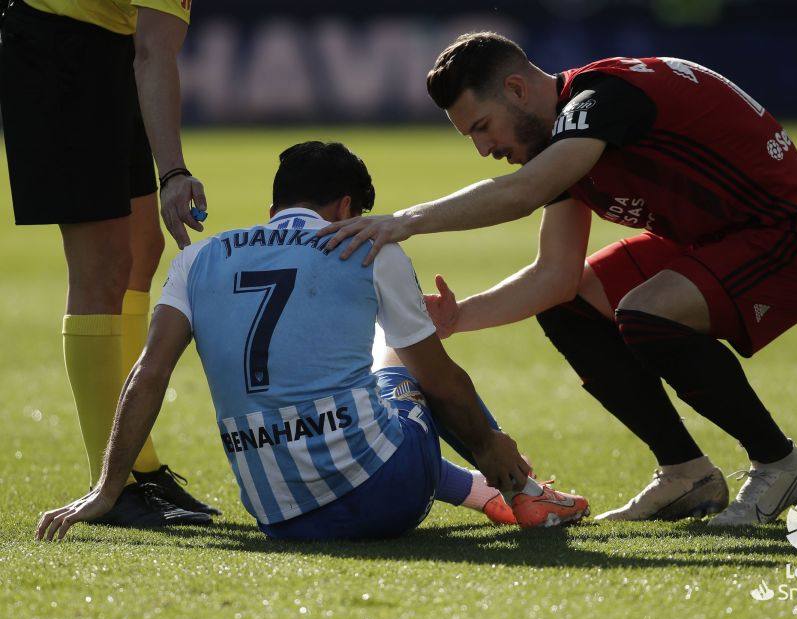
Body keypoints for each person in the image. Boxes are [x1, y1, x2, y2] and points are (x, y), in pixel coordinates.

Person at [317, 33, 797, 526]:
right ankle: (685, 472)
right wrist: (460, 317)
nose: (483, 148)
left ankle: (778, 461)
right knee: (570, 303)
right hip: (719, 239)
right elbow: (555, 277)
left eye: (482, 127)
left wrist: (403, 222)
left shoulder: (601, 99)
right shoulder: (562, 138)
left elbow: (521, 193)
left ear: (516, 88)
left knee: (646, 311)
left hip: (794, 236)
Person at [35, 142, 589, 542]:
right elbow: (442, 381)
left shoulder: (196, 259)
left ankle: (484, 492)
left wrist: (108, 489)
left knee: (373, 399)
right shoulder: (369, 246)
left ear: (273, 208)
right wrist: (494, 443)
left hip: (279, 516)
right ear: (348, 208)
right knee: (401, 364)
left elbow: (148, 376)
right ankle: (522, 490)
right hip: (386, 498)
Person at [0, 0, 214, 525]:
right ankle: (109, 487)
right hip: (59, 49)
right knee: (104, 266)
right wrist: (174, 173)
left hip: (101, 49)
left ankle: (138, 467)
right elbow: (154, 51)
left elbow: (145, 48)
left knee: (143, 249)